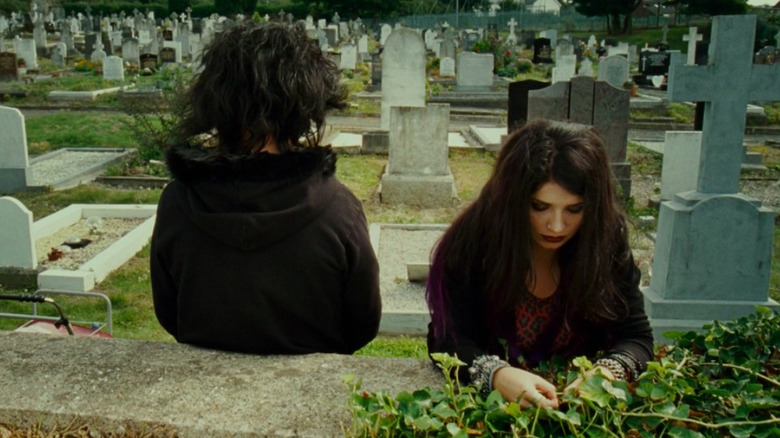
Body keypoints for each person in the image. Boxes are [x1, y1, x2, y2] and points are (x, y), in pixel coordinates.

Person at [150, 20, 381, 355]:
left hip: (202, 392)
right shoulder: (339, 210)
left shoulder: (177, 202)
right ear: (304, 106)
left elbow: (170, 313)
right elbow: (363, 323)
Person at [426, 119, 653, 409]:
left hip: (578, 413)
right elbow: (446, 338)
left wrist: (605, 374)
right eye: (539, 206)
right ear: (513, 199)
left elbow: (636, 337)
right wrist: (497, 375)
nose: (557, 226)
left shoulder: (604, 242)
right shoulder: (472, 245)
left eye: (574, 209)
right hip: (490, 410)